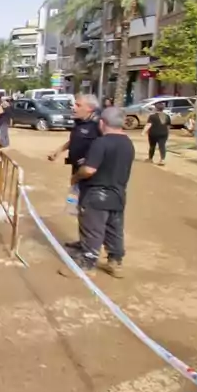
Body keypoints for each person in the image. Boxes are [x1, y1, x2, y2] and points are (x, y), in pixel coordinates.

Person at [69, 107, 134, 277]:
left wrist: (76, 177)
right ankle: (115, 262)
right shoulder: (128, 143)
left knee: (92, 229)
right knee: (114, 229)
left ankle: (87, 263)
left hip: (96, 194)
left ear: (102, 123)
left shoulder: (101, 143)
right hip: (118, 194)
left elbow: (89, 170)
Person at [49, 95, 101, 250]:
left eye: (78, 105)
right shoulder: (79, 123)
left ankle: (91, 250)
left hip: (90, 175)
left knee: (90, 212)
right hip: (77, 173)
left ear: (89, 108)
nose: (73, 107)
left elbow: (104, 148)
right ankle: (83, 241)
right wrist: (59, 150)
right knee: (80, 209)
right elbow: (74, 140)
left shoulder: (98, 126)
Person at [144, 100, 171, 165]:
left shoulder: (152, 116)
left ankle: (150, 158)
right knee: (162, 146)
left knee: (152, 146)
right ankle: (162, 159)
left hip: (153, 134)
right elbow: (168, 126)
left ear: (156, 108)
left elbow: (149, 125)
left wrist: (144, 132)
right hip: (164, 133)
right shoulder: (167, 116)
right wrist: (167, 133)